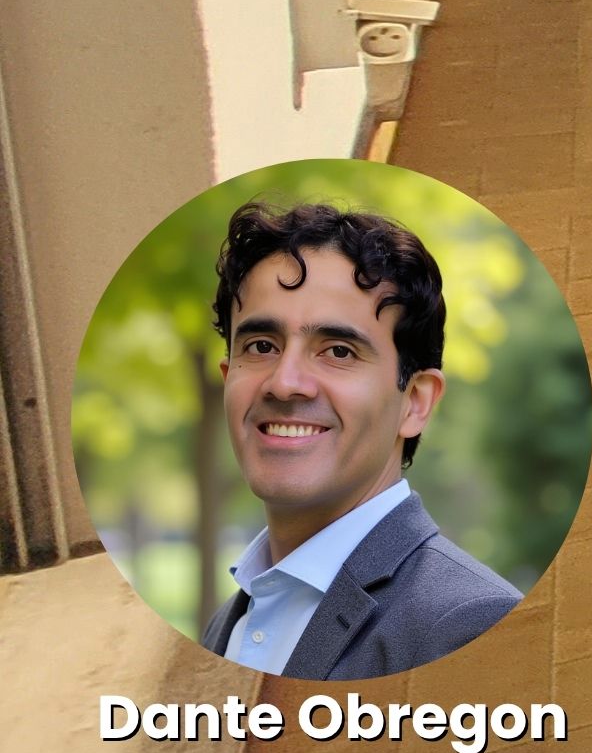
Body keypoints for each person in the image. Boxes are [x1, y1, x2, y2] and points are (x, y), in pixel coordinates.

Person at [197, 201, 520, 678]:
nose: (284, 383)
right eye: (261, 346)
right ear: (228, 379)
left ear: (414, 402)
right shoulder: (228, 625)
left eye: (338, 351)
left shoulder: (466, 624)